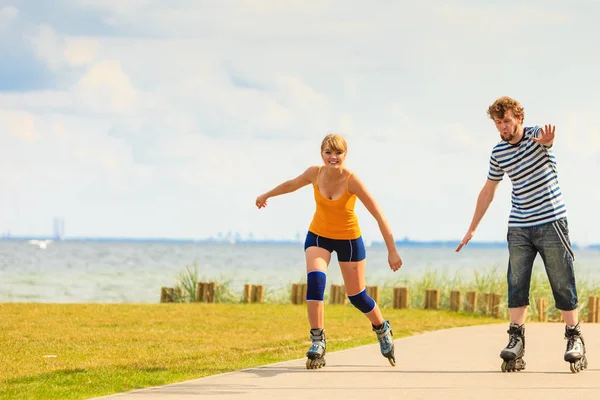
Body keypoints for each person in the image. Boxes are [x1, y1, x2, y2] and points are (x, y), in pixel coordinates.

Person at [456, 96, 587, 373]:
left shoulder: (536, 135)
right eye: (498, 123)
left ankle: (574, 338)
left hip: (551, 221)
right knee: (516, 282)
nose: (503, 128)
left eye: (506, 121)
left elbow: (547, 142)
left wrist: (548, 141)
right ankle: (516, 340)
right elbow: (489, 190)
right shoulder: (498, 153)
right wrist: (472, 228)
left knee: (562, 280)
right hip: (518, 225)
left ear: (519, 118)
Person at [255, 133, 403, 369]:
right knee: (315, 280)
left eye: (338, 153)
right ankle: (317, 340)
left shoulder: (352, 180)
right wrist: (267, 195)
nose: (333, 157)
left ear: (345, 155)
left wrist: (392, 251)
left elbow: (378, 214)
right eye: (328, 152)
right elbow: (292, 184)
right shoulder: (315, 173)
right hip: (319, 236)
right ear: (322, 154)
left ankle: (381, 328)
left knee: (356, 296)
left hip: (349, 240)